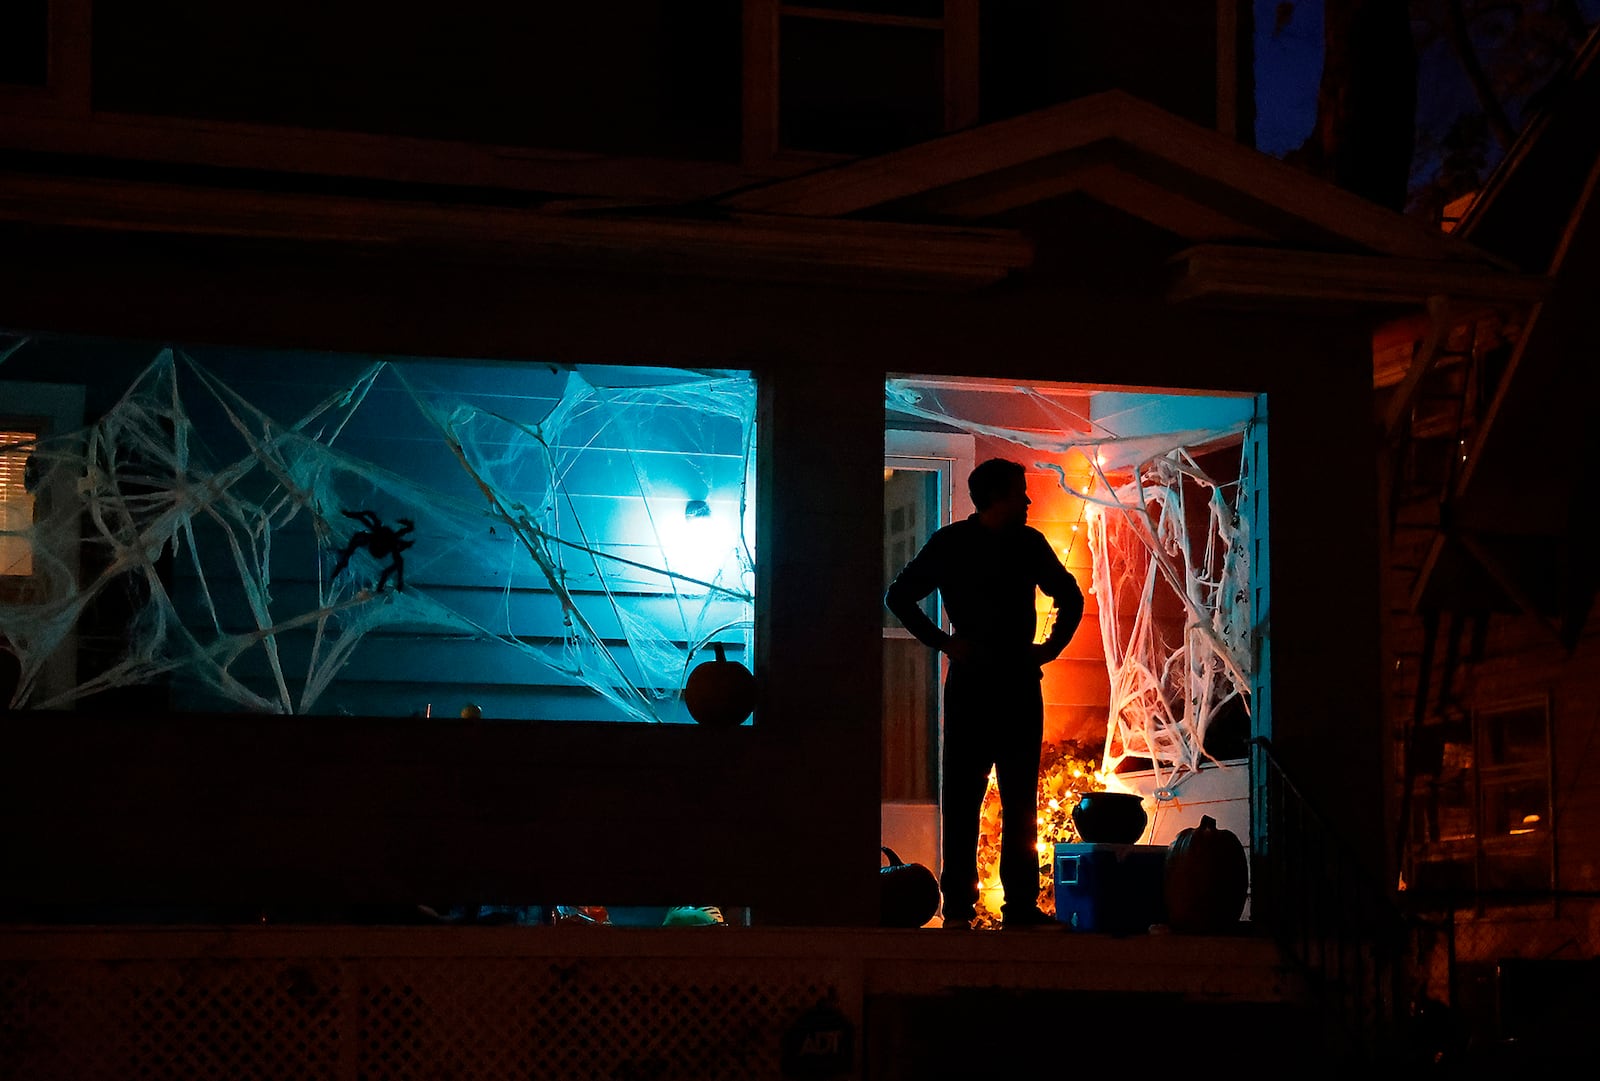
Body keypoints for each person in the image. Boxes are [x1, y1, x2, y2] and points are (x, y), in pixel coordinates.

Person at [884, 457, 1084, 930]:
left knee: (1006, 797)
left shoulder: (1018, 543)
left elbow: (1070, 595)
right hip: (987, 683)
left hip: (1002, 681)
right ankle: (968, 908)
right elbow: (899, 595)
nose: (1029, 500)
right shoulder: (961, 543)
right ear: (998, 496)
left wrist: (1049, 648)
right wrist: (948, 641)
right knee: (975, 796)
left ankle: (1003, 907)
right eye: (1021, 490)